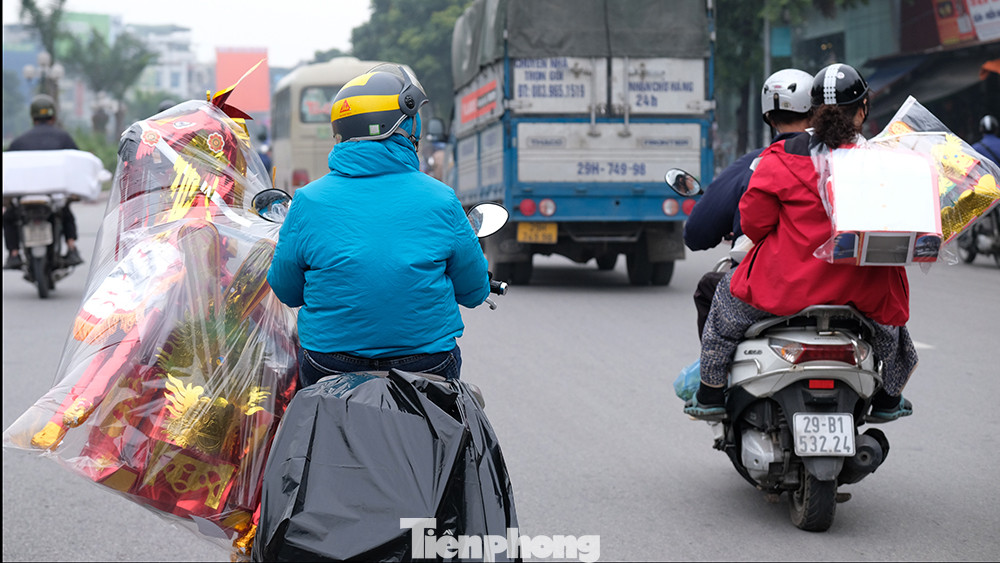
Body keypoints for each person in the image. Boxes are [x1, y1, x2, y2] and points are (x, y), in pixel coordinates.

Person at [685, 63, 918, 422]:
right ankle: (889, 397)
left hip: (785, 289)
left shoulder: (779, 158)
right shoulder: (886, 162)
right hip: (866, 291)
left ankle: (712, 394)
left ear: (814, 110)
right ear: (864, 107)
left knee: (723, 307)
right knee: (895, 334)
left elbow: (754, 224)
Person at [267, 66, 491, 388]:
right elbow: (473, 290)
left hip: (329, 362)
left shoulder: (307, 201)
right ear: (404, 125)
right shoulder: (441, 199)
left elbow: (287, 290)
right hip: (426, 361)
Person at [684, 69, 814, 339]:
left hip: (772, 286)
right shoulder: (845, 164)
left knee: (712, 291)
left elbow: (746, 225)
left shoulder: (759, 164)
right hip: (840, 288)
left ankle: (713, 379)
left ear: (768, 117)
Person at [3, 94, 84, 270]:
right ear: (53, 116)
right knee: (66, 213)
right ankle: (71, 248)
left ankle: (14, 254)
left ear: (32, 117)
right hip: (52, 195)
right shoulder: (64, 138)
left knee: (9, 217)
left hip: (24, 196)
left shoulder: (19, 141)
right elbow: (78, 163)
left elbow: (8, 168)